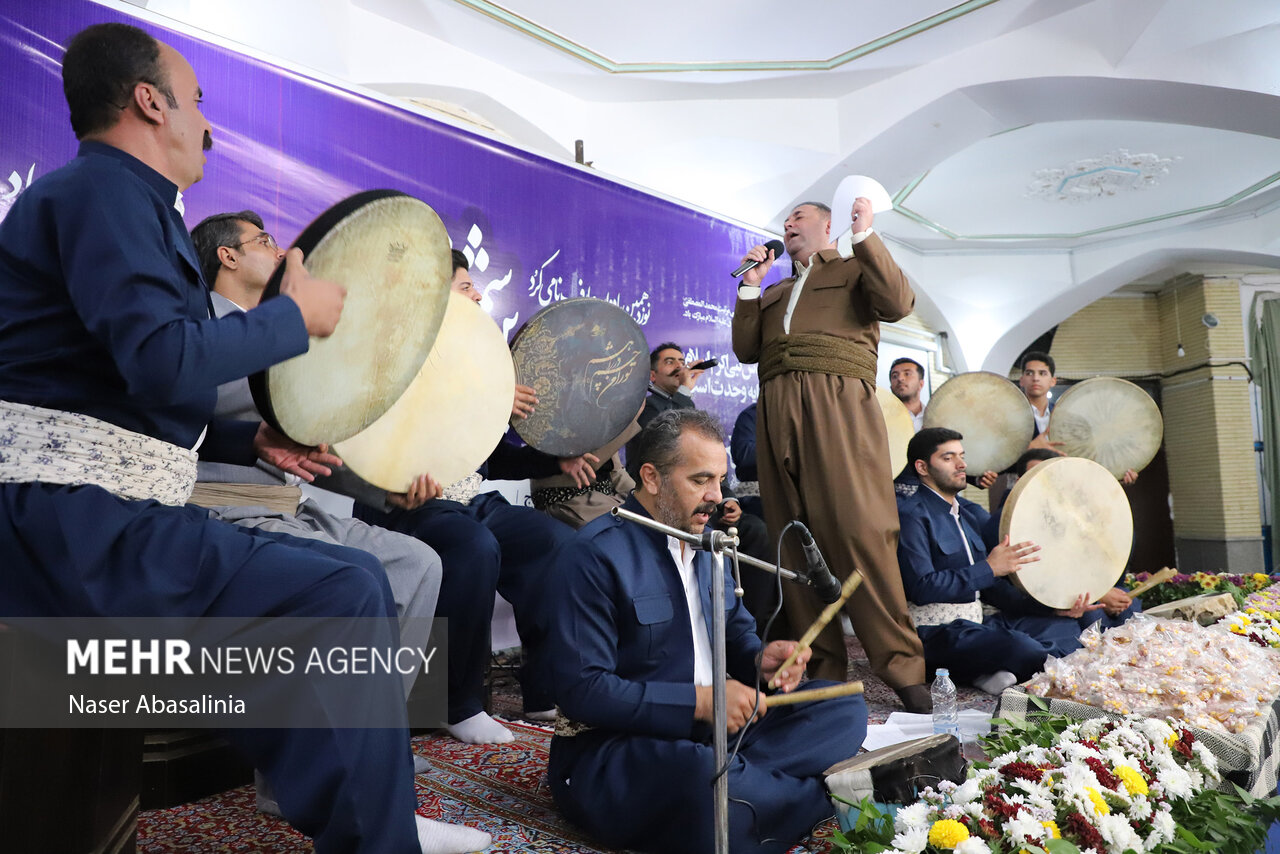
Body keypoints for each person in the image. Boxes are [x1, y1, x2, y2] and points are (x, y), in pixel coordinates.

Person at [0, 23, 487, 853]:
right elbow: (163, 360)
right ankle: (373, 826)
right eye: (195, 101)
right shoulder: (104, 193)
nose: (206, 123)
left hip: (96, 510)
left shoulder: (121, 200)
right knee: (342, 593)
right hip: (71, 526)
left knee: (353, 580)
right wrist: (292, 318)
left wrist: (248, 437)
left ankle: (365, 810)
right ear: (150, 102)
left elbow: (125, 395)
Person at [190, 208, 446, 808]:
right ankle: (299, 778)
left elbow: (313, 444)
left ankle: (372, 743)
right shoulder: (203, 327)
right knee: (350, 578)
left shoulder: (282, 331)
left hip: (302, 507)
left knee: (419, 563)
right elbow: (234, 417)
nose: (281, 252)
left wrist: (386, 492)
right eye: (264, 241)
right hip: (232, 508)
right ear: (227, 255)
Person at [547, 409, 867, 854]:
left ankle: (746, 789)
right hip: (618, 747)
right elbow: (584, 691)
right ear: (651, 477)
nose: (716, 497)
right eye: (700, 480)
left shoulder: (708, 546)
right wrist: (700, 702)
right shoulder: (593, 555)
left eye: (719, 480)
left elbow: (738, 638)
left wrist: (763, 661)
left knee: (843, 706)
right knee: (699, 777)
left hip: (714, 737)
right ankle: (814, 795)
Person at [355, 248, 576, 737]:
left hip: (468, 500)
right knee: (473, 547)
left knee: (553, 542)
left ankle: (544, 689)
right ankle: (456, 704)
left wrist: (553, 462)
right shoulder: (395, 355)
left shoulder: (475, 360)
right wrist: (486, 398)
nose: (478, 295)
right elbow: (389, 431)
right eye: (465, 287)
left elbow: (488, 456)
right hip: (406, 503)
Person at [732, 199, 931, 712]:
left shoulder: (852, 269)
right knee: (792, 537)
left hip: (837, 405)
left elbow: (898, 302)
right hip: (777, 408)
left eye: (799, 217)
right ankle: (819, 669)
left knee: (860, 531)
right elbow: (746, 349)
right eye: (785, 220)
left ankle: (903, 668)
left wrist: (865, 236)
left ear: (828, 225)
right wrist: (750, 285)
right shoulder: (774, 291)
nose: (788, 224)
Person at [889, 356, 926, 432]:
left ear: (921, 384)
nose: (900, 378)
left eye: (907, 374)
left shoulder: (935, 417)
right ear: (891, 387)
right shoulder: (882, 418)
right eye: (895, 376)